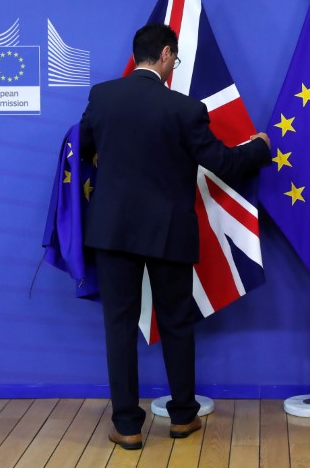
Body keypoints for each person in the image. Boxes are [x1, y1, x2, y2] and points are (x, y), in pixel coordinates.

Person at [79, 23, 271, 449]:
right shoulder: (185, 110)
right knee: (177, 324)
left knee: (119, 327)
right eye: (176, 58)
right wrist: (258, 147)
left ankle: (127, 425)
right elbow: (222, 161)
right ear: (166, 55)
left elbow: (83, 151)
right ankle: (183, 417)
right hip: (168, 230)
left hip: (111, 230)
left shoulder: (101, 97)